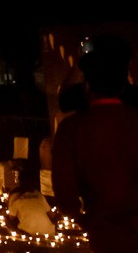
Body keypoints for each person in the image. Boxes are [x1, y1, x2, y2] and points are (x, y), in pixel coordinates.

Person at [51, 35, 138, 252]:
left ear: (87, 85)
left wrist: (83, 218)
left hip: (105, 234)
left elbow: (65, 195)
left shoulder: (72, 129)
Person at [6, 167, 57, 237]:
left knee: (8, 221)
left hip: (28, 233)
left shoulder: (15, 196)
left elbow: (11, 217)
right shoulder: (38, 194)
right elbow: (51, 215)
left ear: (20, 180)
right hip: (49, 232)